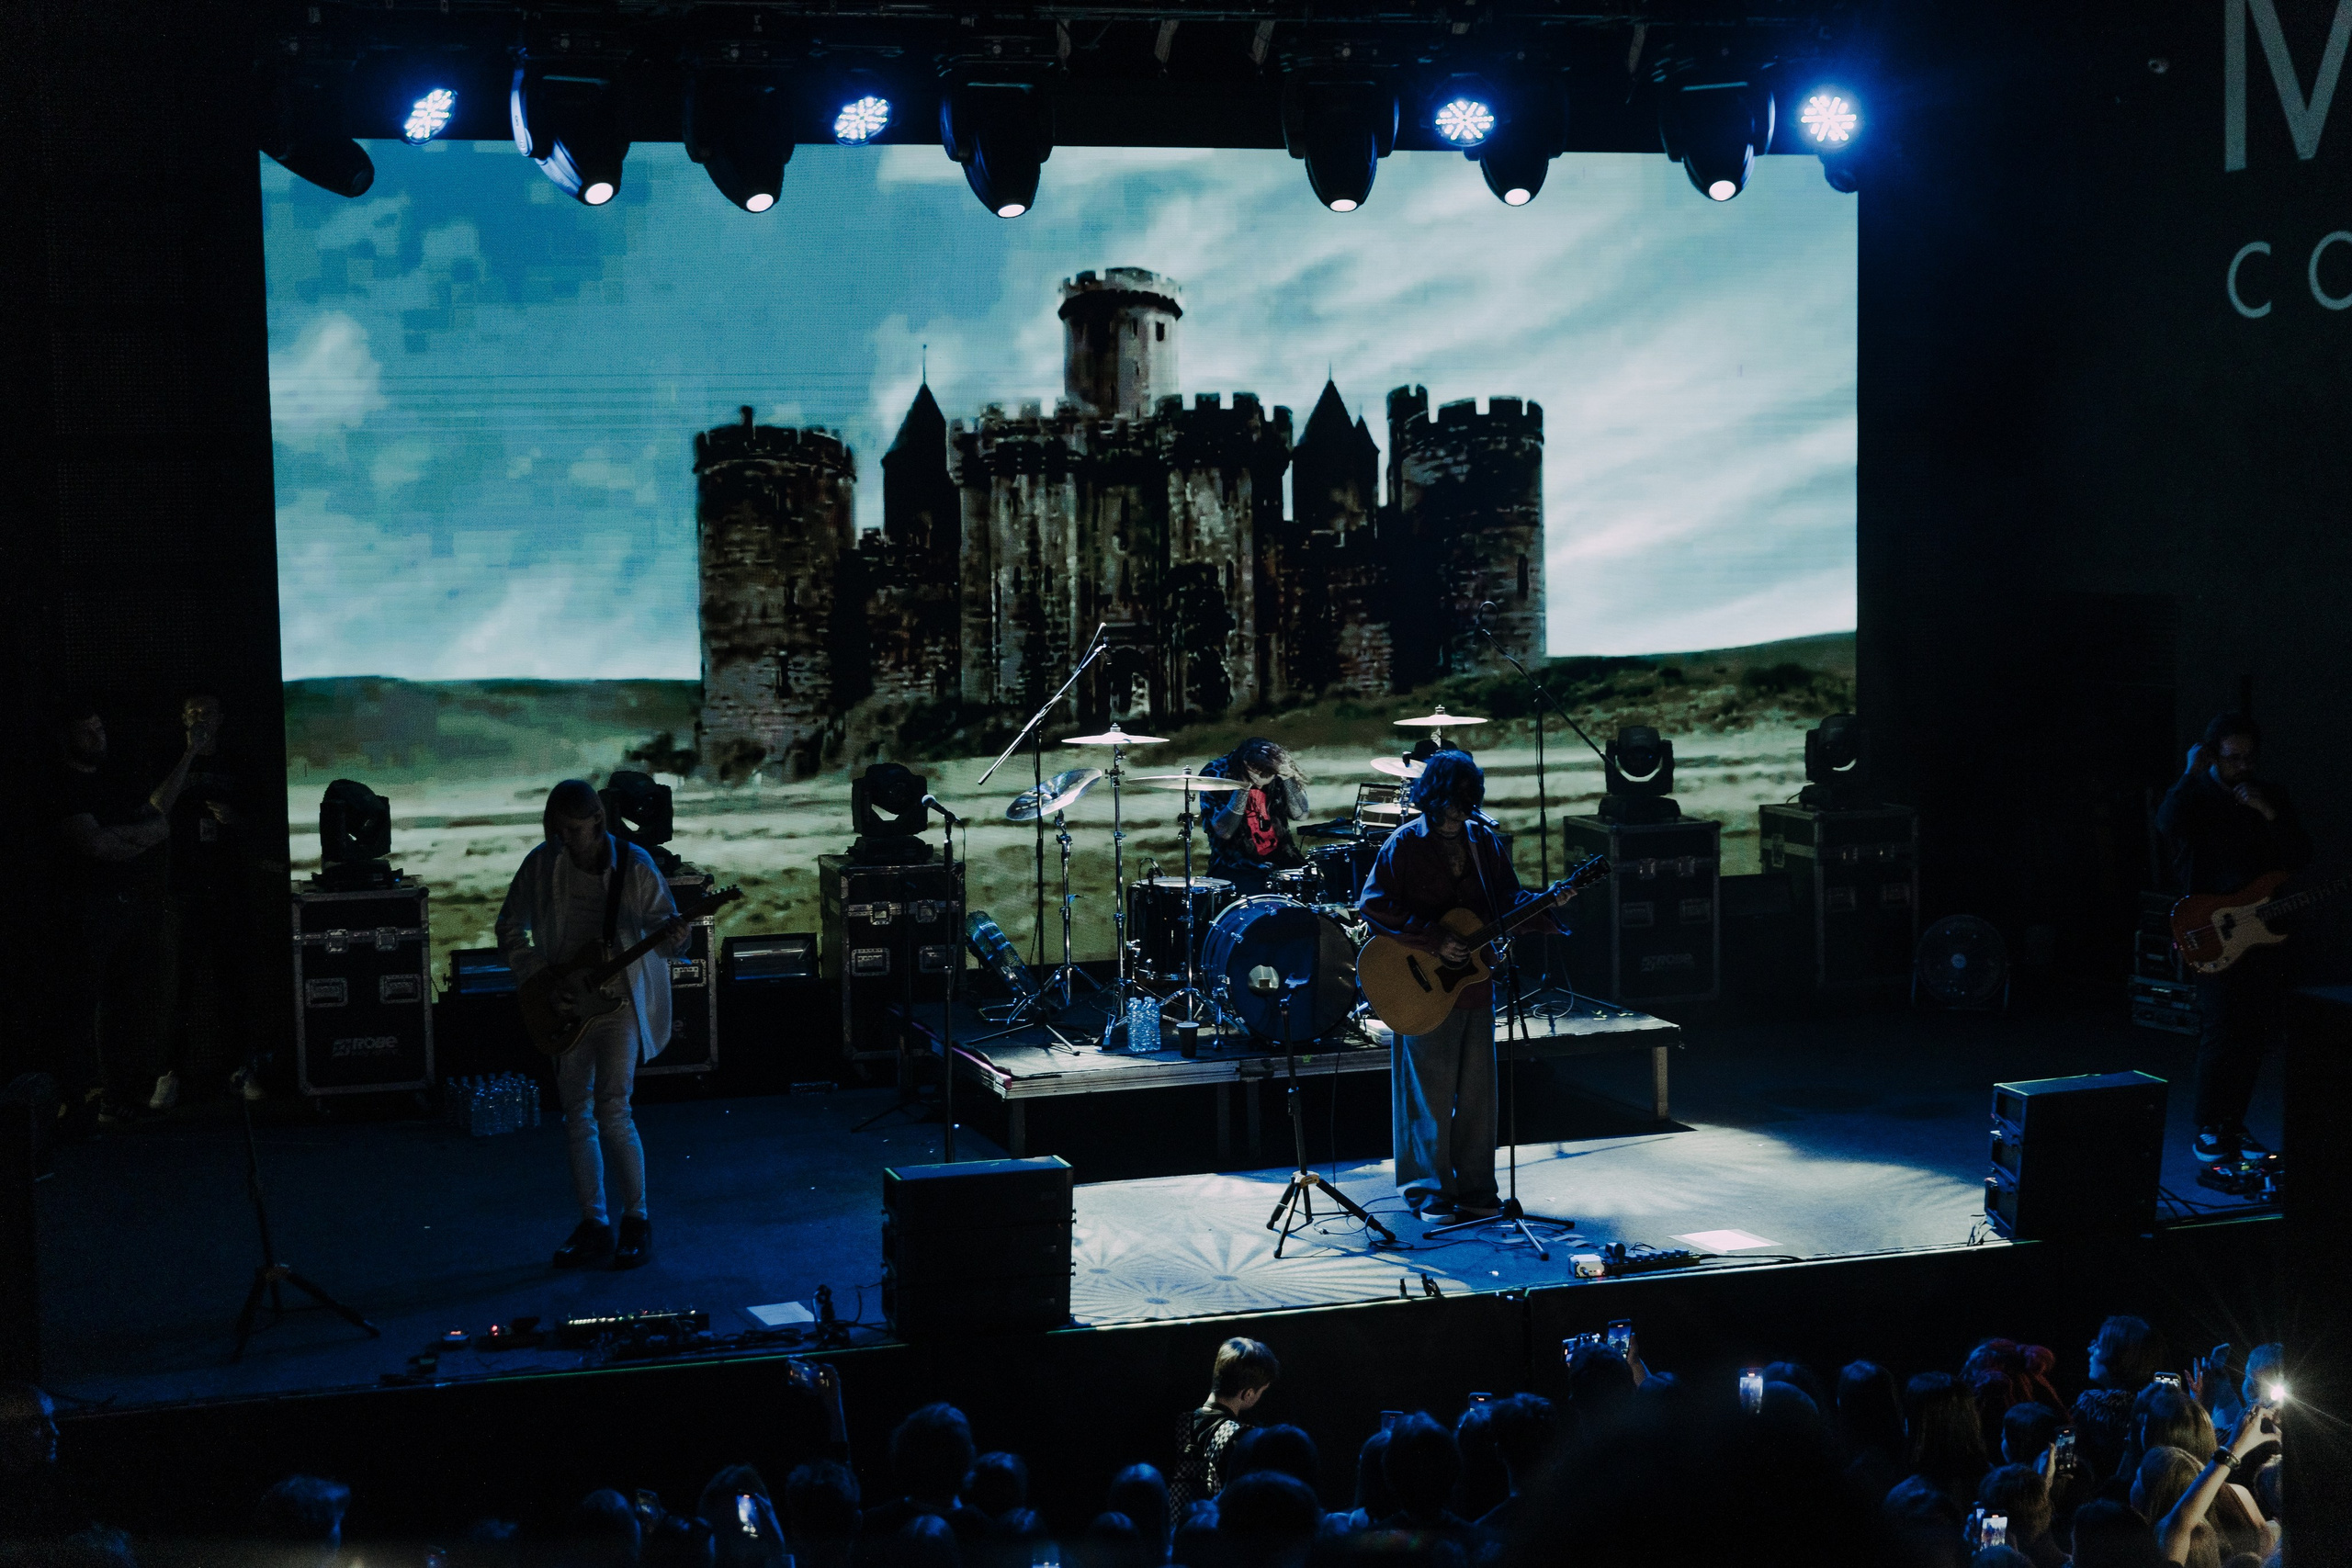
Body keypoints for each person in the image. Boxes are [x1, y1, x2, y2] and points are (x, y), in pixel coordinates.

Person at [1358, 751, 1572, 1221]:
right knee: (1427, 1094)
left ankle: (1477, 1188)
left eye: (1466, 800)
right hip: (1420, 988)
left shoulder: (1483, 842)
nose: (1460, 810)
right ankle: (1427, 1190)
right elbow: (1373, 903)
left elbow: (1508, 899)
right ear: (1432, 798)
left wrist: (1545, 904)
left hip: (1475, 984)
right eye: (1453, 800)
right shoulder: (1404, 845)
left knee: (1478, 1095)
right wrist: (1435, 939)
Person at [496, 779, 690, 1270]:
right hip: (566, 1002)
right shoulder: (541, 865)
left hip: (619, 1004)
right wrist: (539, 976)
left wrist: (677, 937)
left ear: (598, 823)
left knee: (612, 1108)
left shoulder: (637, 867)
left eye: (576, 831)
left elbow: (668, 939)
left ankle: (637, 1219)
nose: (566, 840)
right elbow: (508, 925)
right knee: (576, 1113)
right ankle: (593, 1224)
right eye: (558, 830)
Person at [2154, 712, 2312, 1162]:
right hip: (2210, 928)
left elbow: (2300, 854)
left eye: (2249, 758)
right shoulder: (2196, 796)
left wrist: (2267, 813)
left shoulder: (2269, 796)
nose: (2243, 767)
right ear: (2212, 756)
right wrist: (2190, 773)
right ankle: (2208, 1128)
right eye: (2232, 758)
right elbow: (2166, 824)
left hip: (2262, 932)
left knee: (2253, 1030)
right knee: (2222, 1028)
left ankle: (2233, 1124)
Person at [50, 698, 205, 1131]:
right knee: (83, 1008)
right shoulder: (63, 785)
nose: (98, 737)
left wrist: (125, 837)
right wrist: (134, 839)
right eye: (87, 731)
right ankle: (76, 1101)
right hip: (84, 915)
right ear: (66, 739)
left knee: (123, 1007)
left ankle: (114, 1097)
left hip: (125, 909)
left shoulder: (109, 782)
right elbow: (97, 844)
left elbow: (156, 824)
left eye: (100, 728)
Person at [162, 692, 255, 1109]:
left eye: (207, 712)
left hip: (231, 886)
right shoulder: (171, 759)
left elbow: (262, 815)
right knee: (179, 985)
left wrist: (237, 820)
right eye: (192, 714)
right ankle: (170, 1074)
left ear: (221, 719)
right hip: (185, 887)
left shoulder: (238, 763)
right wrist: (188, 756)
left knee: (233, 981)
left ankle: (239, 1069)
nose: (199, 719)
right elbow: (157, 805)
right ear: (183, 721)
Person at [1170, 1337, 1280, 1518]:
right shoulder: (1244, 1438)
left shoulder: (1179, 1421)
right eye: (1261, 1392)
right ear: (1249, 1394)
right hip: (1213, 1533)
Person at [1199, 739, 1310, 896]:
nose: (1260, 782)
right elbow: (1224, 831)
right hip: (1235, 864)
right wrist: (1243, 788)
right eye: (1258, 773)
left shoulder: (1277, 769)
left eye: (1268, 775)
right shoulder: (1216, 772)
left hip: (1282, 860)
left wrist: (1288, 777)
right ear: (1246, 764)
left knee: (1317, 887)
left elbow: (1301, 814)